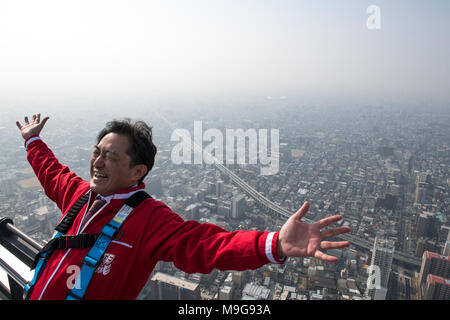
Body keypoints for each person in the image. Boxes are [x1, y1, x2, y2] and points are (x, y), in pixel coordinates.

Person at [16, 113, 351, 300]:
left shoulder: (148, 218)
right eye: (97, 152)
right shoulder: (78, 196)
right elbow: (51, 171)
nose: (97, 162)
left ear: (137, 172)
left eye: (111, 156)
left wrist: (274, 243)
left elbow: (205, 245)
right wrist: (33, 140)